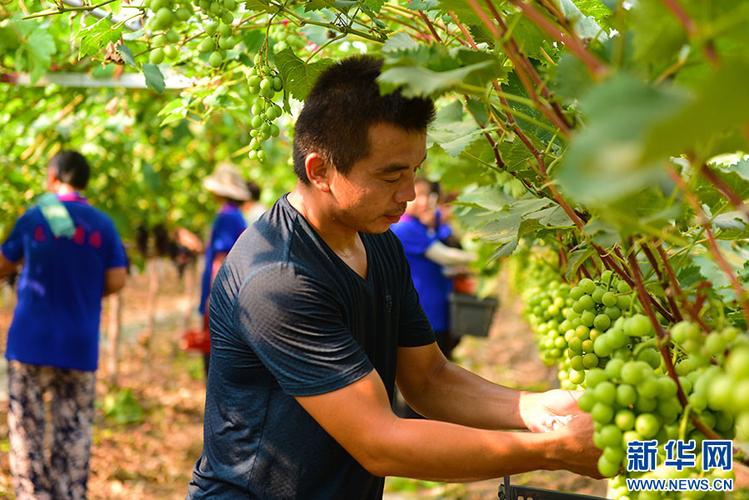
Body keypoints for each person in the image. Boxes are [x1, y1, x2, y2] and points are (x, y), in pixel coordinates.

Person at [187, 55, 599, 499]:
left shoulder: (378, 239)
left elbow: (429, 379)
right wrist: (554, 449)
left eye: (415, 169)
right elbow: (380, 442)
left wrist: (536, 408)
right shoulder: (276, 279)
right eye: (391, 175)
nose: (409, 193)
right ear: (320, 171)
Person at [0, 150, 127, 500]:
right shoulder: (102, 224)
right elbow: (117, 280)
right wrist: (83, 287)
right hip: (79, 343)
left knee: (27, 431)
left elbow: (3, 264)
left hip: (31, 342)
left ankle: (32, 495)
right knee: (73, 431)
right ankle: (68, 493)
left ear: (54, 176)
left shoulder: (36, 215)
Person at [392, 177, 475, 359]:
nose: (423, 201)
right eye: (416, 195)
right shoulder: (405, 228)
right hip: (426, 309)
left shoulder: (419, 224)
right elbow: (445, 256)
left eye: (427, 195)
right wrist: (482, 258)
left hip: (437, 305)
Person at [199, 164, 249, 375]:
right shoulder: (235, 215)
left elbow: (221, 259)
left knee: (214, 360)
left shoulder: (227, 217)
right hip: (234, 292)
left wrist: (214, 295)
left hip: (223, 293)